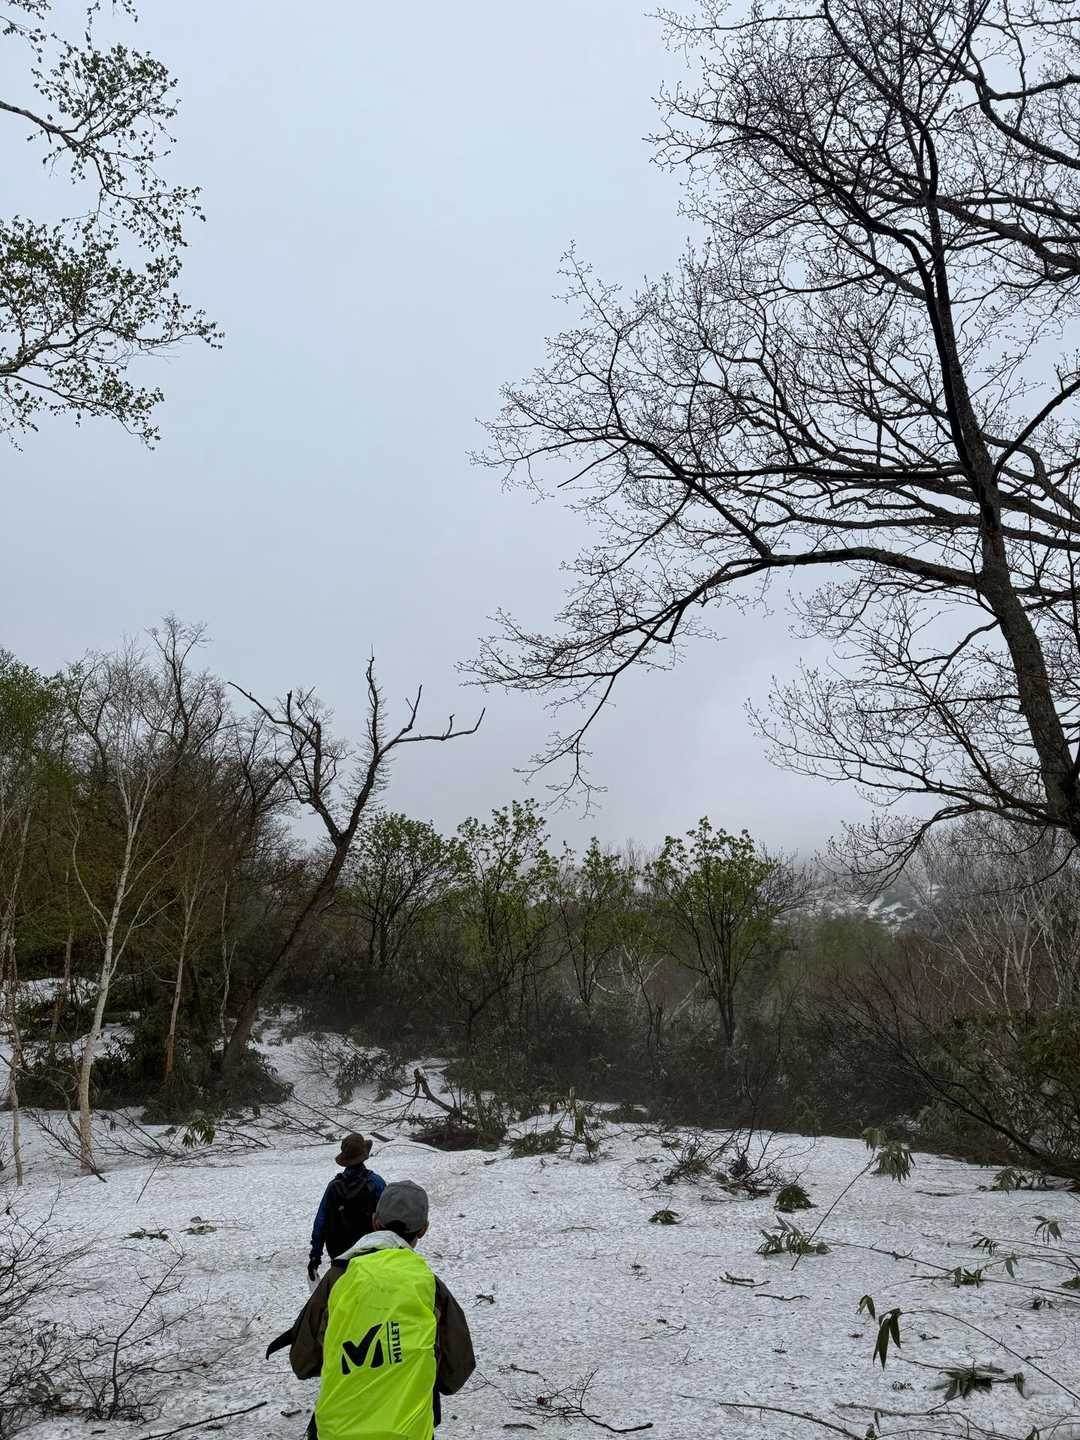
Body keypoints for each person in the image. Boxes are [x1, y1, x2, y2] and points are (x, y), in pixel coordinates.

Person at [288, 1180, 475, 1440]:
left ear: (375, 1222)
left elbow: (303, 1362)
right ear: (423, 1229)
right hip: (409, 1433)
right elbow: (455, 1374)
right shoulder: (430, 1287)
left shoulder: (337, 1278)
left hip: (336, 1432)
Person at [308, 1134, 386, 1283]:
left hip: (339, 1258)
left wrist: (315, 1256)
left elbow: (320, 1222)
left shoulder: (333, 1186)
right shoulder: (376, 1183)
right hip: (370, 1255)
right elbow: (387, 1217)